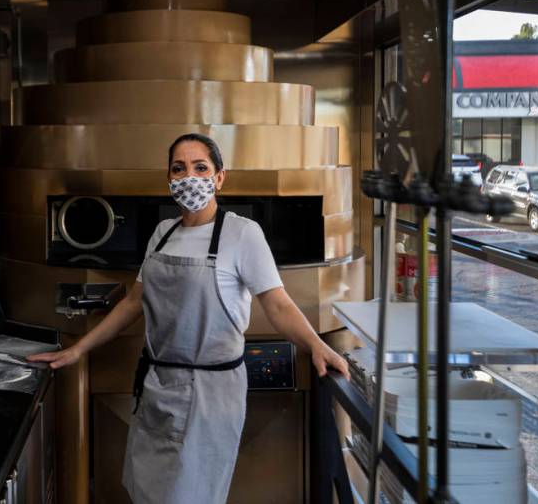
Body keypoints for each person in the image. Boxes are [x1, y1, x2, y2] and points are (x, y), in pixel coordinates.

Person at [27, 133, 349, 504]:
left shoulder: (243, 234)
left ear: (219, 177)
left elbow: (277, 304)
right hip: (158, 384)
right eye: (178, 169)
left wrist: (317, 345)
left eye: (200, 168)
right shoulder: (163, 234)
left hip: (210, 393)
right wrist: (78, 350)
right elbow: (134, 302)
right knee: (149, 492)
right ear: (169, 178)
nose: (188, 177)